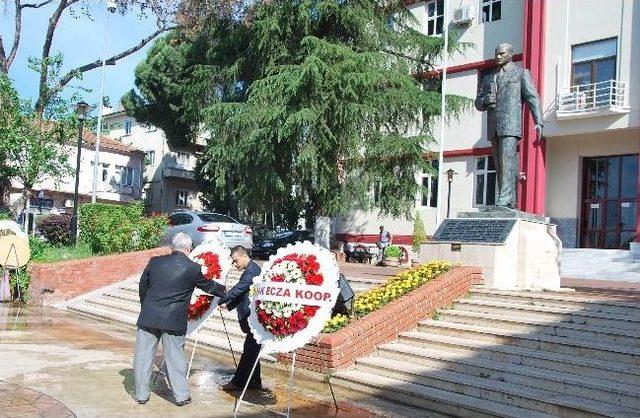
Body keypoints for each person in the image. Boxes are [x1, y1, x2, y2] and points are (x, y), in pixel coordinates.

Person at [133, 232, 226, 406]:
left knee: (143, 358)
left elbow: (142, 286)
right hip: (174, 320)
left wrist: (146, 307)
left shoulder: (155, 262)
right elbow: (209, 286)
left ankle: (141, 395)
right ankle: (181, 396)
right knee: (175, 359)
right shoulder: (192, 268)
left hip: (149, 317)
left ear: (172, 247)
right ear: (188, 248)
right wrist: (226, 291)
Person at [475, 43, 543, 208]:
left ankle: (505, 198)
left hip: (511, 126)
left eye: (501, 54)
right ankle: (510, 200)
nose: (498, 57)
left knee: (507, 161)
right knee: (500, 165)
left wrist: (539, 121)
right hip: (494, 127)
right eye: (496, 54)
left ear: (510, 54)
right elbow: (478, 102)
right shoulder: (488, 78)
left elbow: (532, 97)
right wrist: (485, 101)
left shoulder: (520, 74)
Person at [218, 246, 263, 393]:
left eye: (235, 261)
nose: (235, 264)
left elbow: (239, 289)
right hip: (251, 317)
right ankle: (254, 382)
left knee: (249, 350)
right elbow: (243, 294)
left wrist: (221, 298)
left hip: (253, 318)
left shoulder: (251, 271)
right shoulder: (250, 269)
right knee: (252, 351)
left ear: (244, 256)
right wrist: (228, 305)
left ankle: (238, 382)